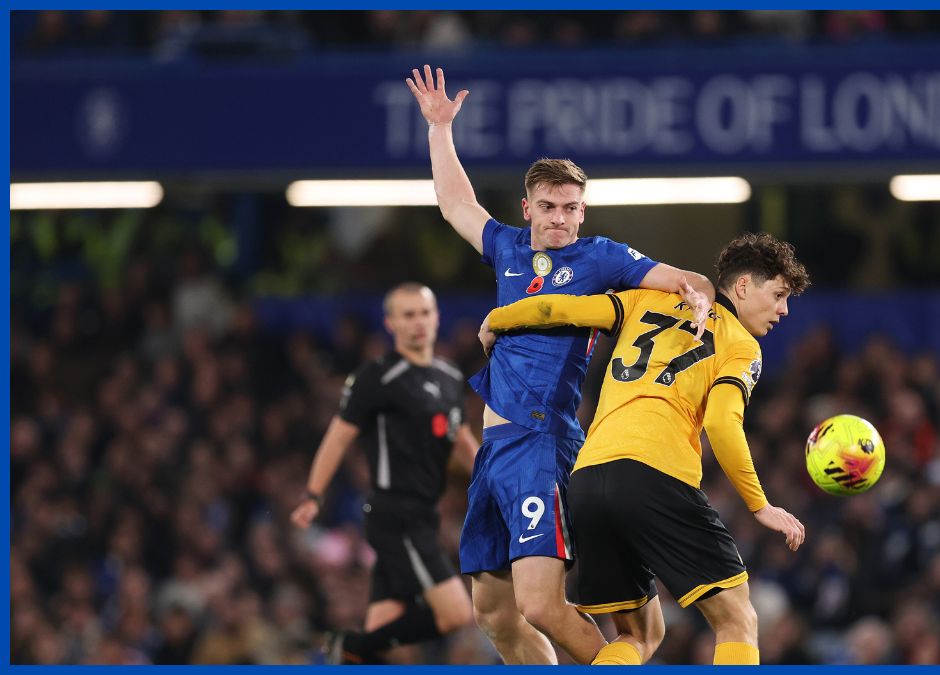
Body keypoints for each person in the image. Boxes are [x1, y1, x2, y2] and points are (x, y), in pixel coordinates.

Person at [406, 64, 717, 664]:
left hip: (541, 440)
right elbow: (454, 204)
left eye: (571, 207)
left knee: (542, 607)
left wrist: (697, 291)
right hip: (494, 452)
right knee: (493, 616)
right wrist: (440, 129)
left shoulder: (601, 259)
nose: (560, 218)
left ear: (583, 211)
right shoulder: (507, 249)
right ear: (527, 208)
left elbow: (681, 278)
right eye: (548, 206)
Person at [479, 233, 809, 665]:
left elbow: (560, 308)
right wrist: (760, 505)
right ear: (743, 287)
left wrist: (500, 318)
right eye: (779, 294)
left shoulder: (643, 301)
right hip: (654, 473)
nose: (783, 310)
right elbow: (721, 423)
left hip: (589, 478)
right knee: (736, 617)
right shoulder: (742, 346)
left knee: (640, 632)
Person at [290, 283, 478, 664]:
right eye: (407, 315)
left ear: (437, 317)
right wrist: (313, 495)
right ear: (390, 323)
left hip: (425, 515)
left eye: (424, 313)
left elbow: (461, 440)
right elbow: (338, 438)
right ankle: (349, 645)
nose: (418, 323)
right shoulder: (375, 377)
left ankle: (353, 652)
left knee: (380, 631)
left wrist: (493, 484)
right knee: (458, 613)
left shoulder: (449, 377)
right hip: (396, 514)